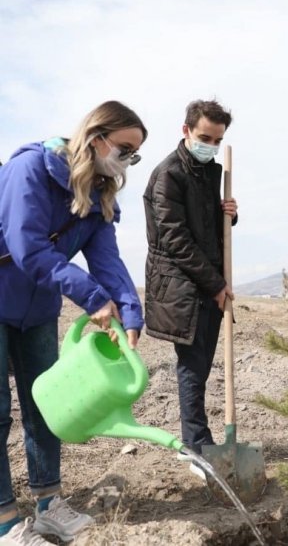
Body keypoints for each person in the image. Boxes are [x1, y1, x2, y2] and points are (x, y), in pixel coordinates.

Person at [0, 101, 146, 544]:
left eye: (133, 155)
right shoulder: (30, 169)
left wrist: (130, 311)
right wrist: (91, 298)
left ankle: (49, 504)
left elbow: (108, 260)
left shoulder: (100, 192)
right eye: (123, 148)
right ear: (96, 136)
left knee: (46, 405)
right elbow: (28, 248)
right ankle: (6, 521)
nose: (125, 160)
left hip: (38, 311)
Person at [143, 100, 237, 468]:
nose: (210, 145)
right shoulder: (167, 176)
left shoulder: (212, 173)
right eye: (204, 137)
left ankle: (201, 439)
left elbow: (211, 230)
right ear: (186, 131)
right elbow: (175, 240)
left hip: (208, 282)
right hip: (182, 287)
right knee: (192, 367)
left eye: (217, 139)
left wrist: (228, 214)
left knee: (201, 364)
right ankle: (196, 444)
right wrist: (215, 284)